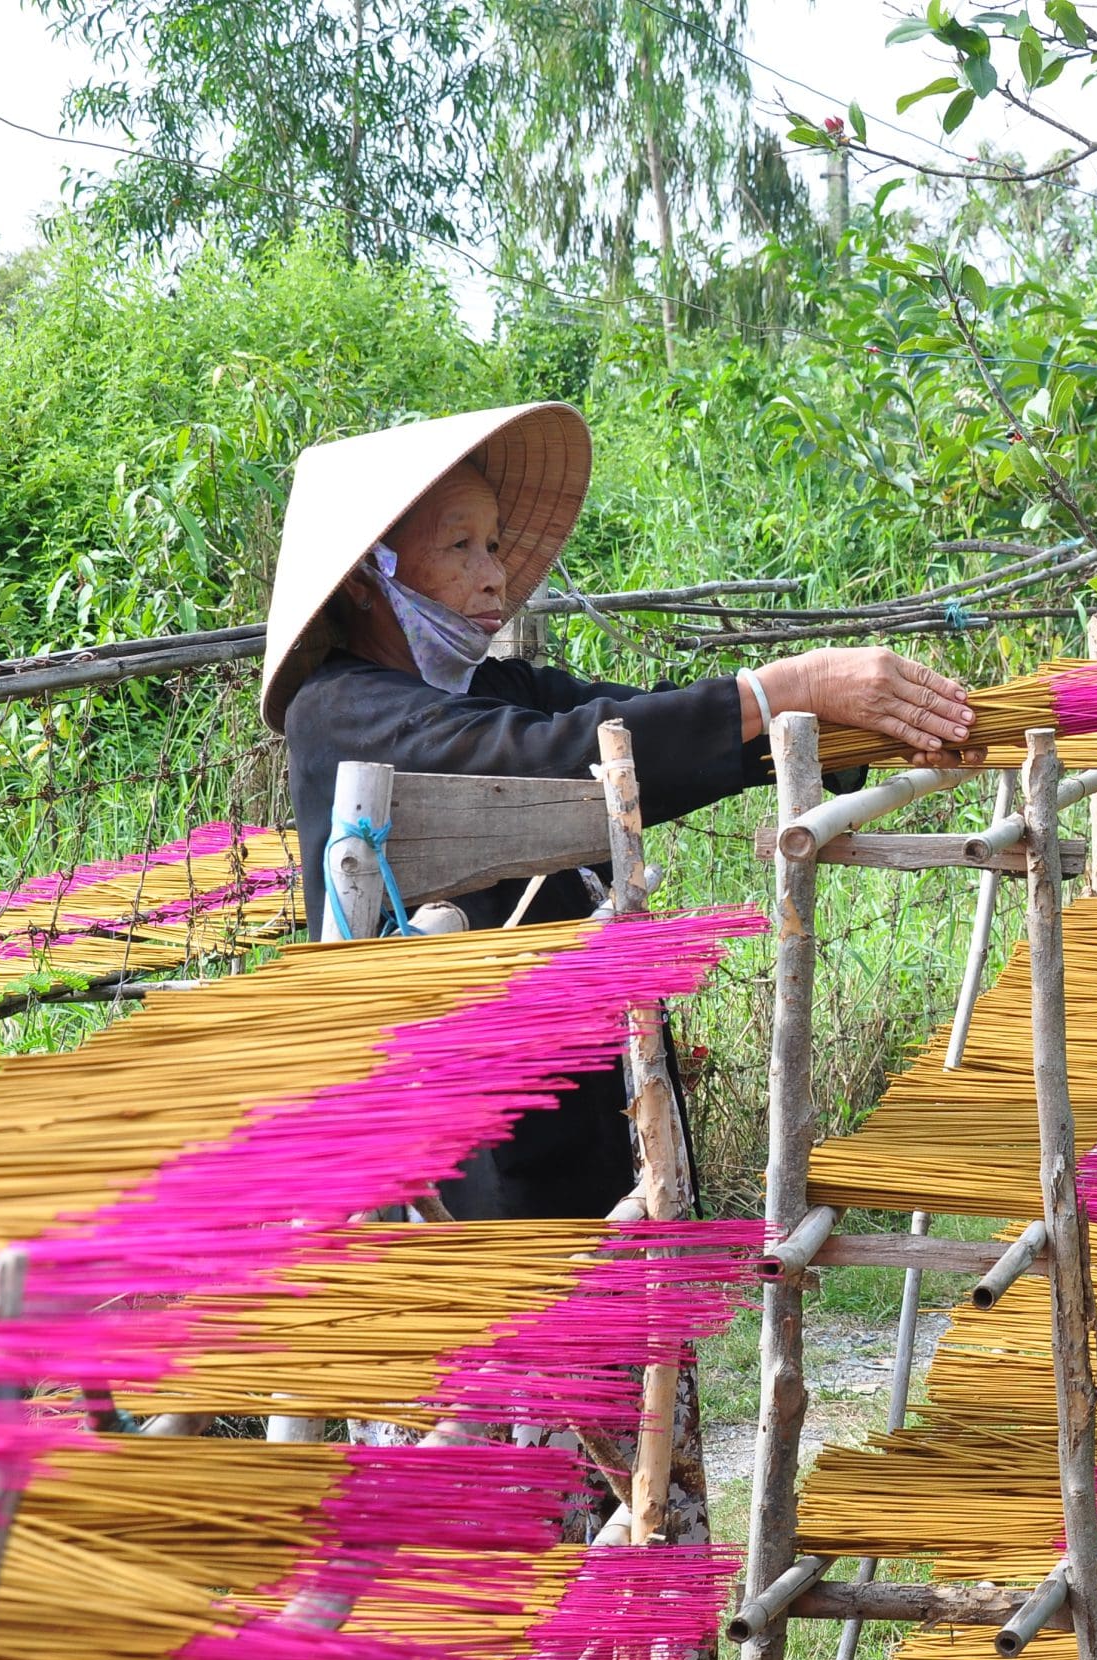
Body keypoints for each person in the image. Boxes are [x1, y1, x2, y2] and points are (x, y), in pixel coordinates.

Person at [258, 401, 972, 1219]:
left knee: (623, 1294)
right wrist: (786, 687)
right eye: (460, 547)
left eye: (493, 544)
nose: (493, 574)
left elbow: (641, 736)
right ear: (364, 575)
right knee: (511, 1327)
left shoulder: (494, 687)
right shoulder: (342, 708)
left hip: (578, 1084)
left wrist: (852, 731)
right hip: (461, 1131)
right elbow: (547, 758)